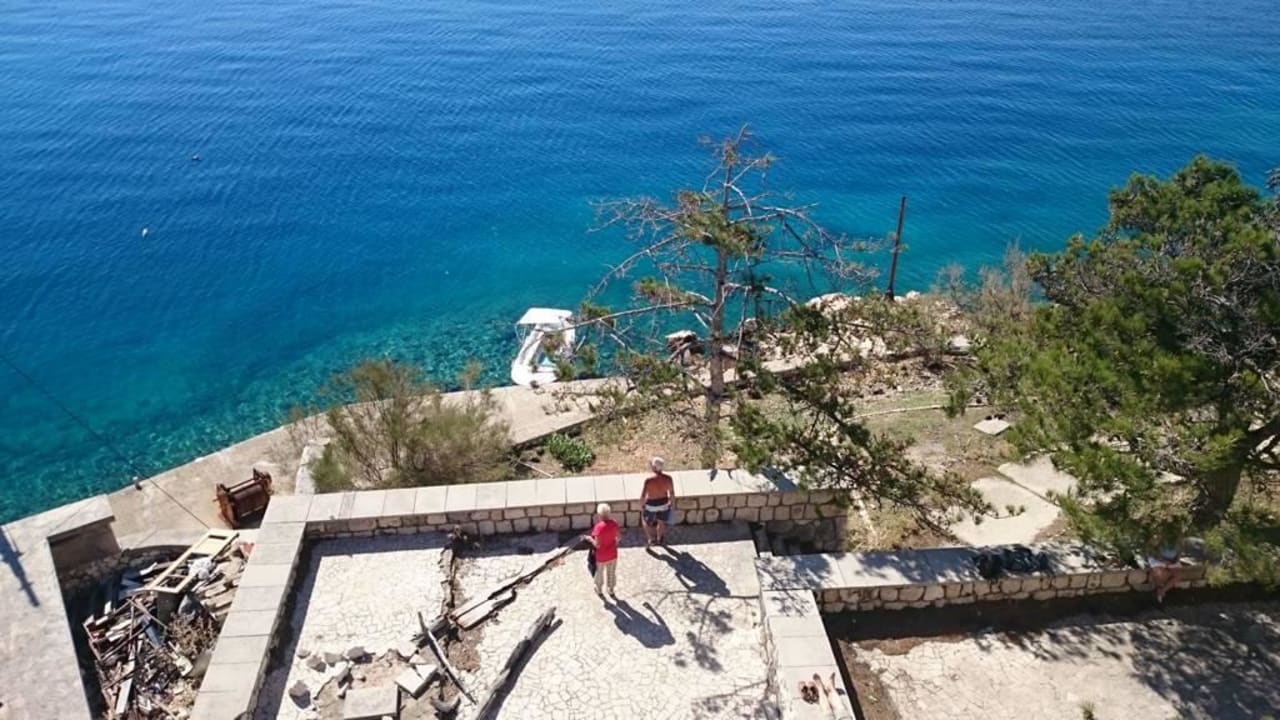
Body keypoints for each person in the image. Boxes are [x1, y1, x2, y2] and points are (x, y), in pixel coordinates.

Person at [586, 502, 619, 599]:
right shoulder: (614, 524)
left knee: (599, 573)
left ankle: (599, 590)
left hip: (601, 556)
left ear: (599, 515)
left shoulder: (599, 527)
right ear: (609, 513)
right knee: (611, 572)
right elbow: (618, 537)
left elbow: (598, 544)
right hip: (613, 554)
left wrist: (589, 539)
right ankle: (611, 590)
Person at [641, 456, 675, 546]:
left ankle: (650, 539)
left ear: (654, 467)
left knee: (645, 520)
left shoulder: (649, 480)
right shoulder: (668, 479)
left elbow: (643, 495)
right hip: (664, 503)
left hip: (651, 504)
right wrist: (672, 504)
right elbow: (671, 493)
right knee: (661, 521)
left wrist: (642, 505)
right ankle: (659, 538)